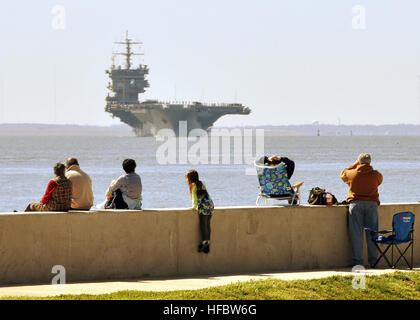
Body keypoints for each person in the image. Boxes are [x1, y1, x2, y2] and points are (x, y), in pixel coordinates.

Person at [340, 153, 383, 268]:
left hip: (356, 204)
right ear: (370, 162)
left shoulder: (352, 173)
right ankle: (373, 261)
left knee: (356, 234)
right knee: (373, 233)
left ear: (359, 162)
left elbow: (342, 174)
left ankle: (358, 261)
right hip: (372, 205)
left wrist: (353, 165)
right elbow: (380, 180)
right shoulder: (376, 175)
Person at [185, 170, 214, 254]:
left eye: (187, 178)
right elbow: (206, 194)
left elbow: (194, 199)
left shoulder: (193, 186)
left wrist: (193, 207)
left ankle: (205, 242)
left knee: (203, 224)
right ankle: (208, 242)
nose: (187, 180)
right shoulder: (202, 183)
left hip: (203, 206)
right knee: (208, 224)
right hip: (210, 204)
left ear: (190, 178)